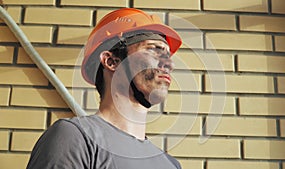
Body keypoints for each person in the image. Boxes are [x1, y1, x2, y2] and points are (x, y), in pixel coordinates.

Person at [26, 8, 182, 169]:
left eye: (168, 56)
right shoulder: (74, 137)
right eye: (153, 50)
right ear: (111, 61)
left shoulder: (171, 164)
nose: (169, 64)